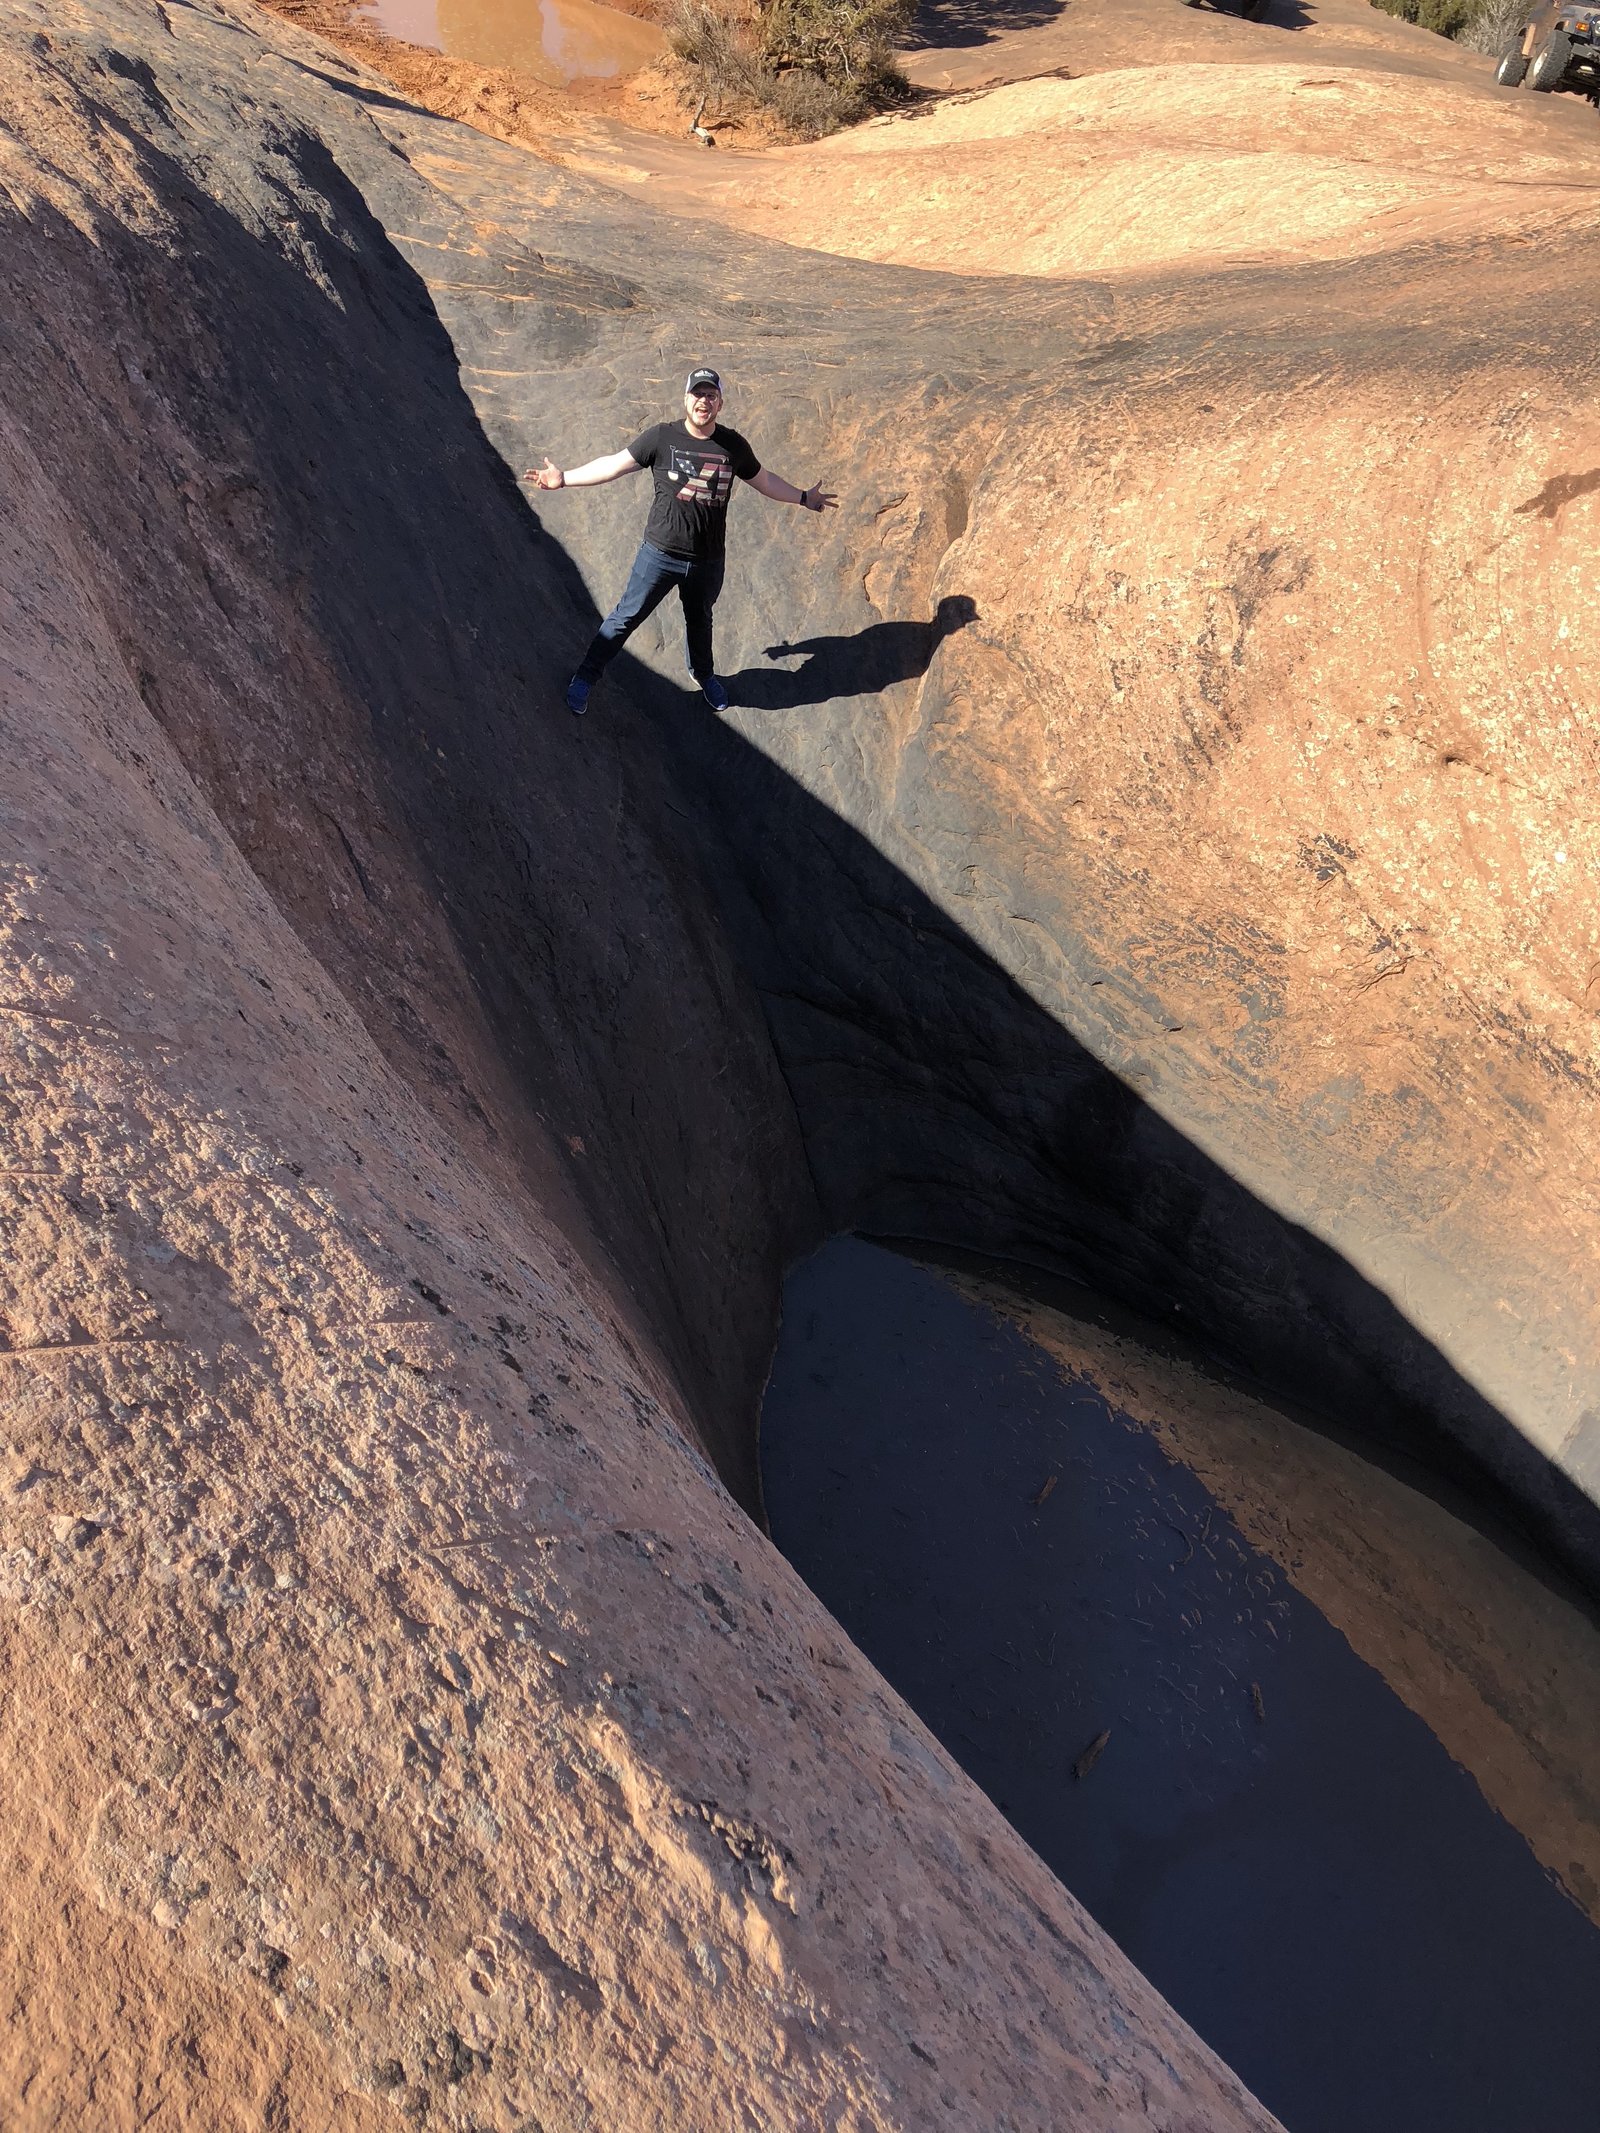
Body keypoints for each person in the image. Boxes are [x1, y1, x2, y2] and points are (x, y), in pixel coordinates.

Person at [525, 368, 837, 715]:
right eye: (697, 394)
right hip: (659, 555)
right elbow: (614, 465)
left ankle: (704, 675)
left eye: (710, 396)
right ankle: (585, 676)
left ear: (720, 403)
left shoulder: (732, 445)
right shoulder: (662, 438)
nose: (703, 401)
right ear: (685, 398)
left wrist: (804, 497)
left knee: (701, 620)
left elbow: (764, 481)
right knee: (624, 618)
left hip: (707, 561)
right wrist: (564, 478)